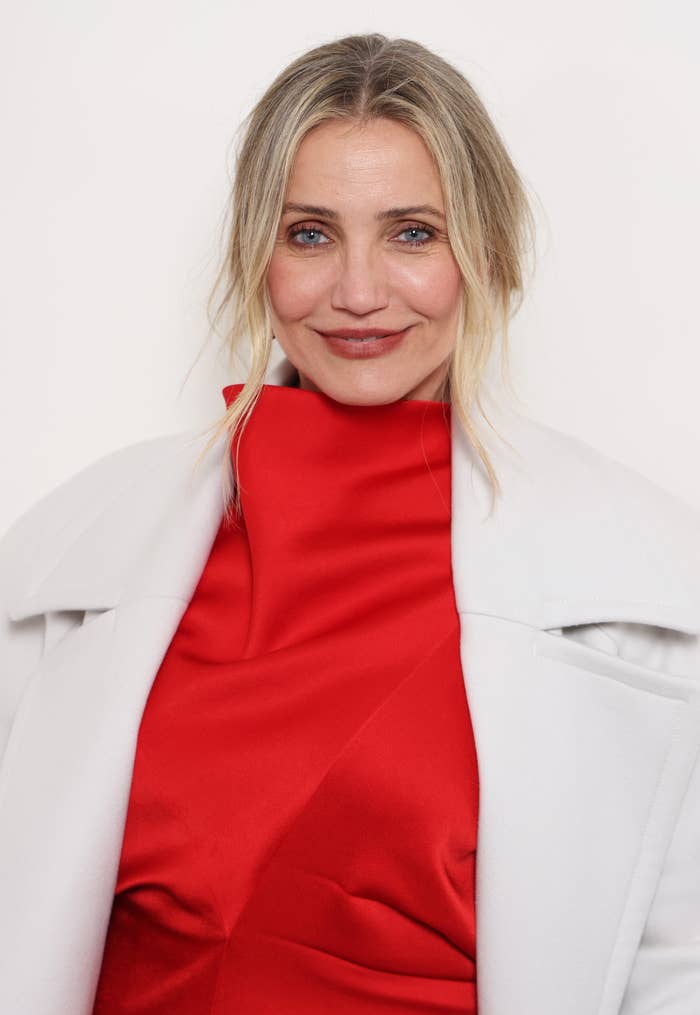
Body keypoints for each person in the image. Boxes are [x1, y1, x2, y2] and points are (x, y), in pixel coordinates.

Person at [1, 31, 699, 1015]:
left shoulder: (643, 574)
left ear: (487, 250)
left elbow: (675, 971)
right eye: (309, 234)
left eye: (411, 233)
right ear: (256, 255)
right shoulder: (74, 550)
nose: (359, 292)